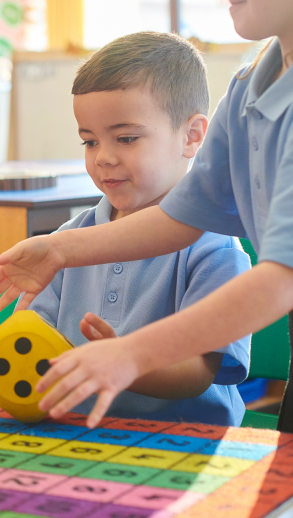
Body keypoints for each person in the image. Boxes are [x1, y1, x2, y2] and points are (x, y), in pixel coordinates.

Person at [0, 0, 293, 429]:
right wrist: (60, 249)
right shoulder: (250, 84)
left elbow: (282, 275)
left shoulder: (214, 252)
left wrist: (130, 355)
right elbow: (182, 216)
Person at [23, 32, 251, 426]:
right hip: (77, 431)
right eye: (89, 142)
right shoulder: (68, 241)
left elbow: (199, 372)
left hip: (185, 440)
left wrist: (126, 361)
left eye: (126, 138)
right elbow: (36, 341)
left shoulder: (214, 249)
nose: (103, 158)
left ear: (192, 136)